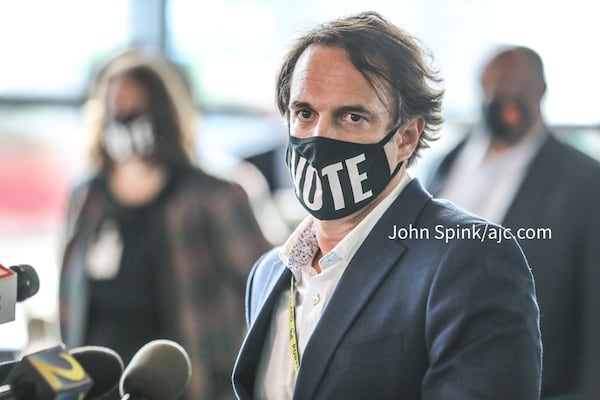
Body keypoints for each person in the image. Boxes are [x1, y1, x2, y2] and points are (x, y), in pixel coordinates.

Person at [232, 11, 542, 400]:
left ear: (407, 137)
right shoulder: (268, 274)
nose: (319, 137)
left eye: (352, 117)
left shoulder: (470, 258)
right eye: (305, 113)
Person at [59, 49, 271, 400]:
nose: (123, 116)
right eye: (114, 105)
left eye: (134, 105)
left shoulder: (215, 193)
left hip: (184, 381)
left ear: (163, 112)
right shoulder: (87, 195)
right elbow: (69, 292)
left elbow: (262, 287)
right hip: (100, 382)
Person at [426, 46, 600, 399]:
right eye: (497, 86)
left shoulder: (585, 180)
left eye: (520, 85)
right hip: (431, 372)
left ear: (542, 89)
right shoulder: (444, 165)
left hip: (534, 383)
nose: (507, 96)